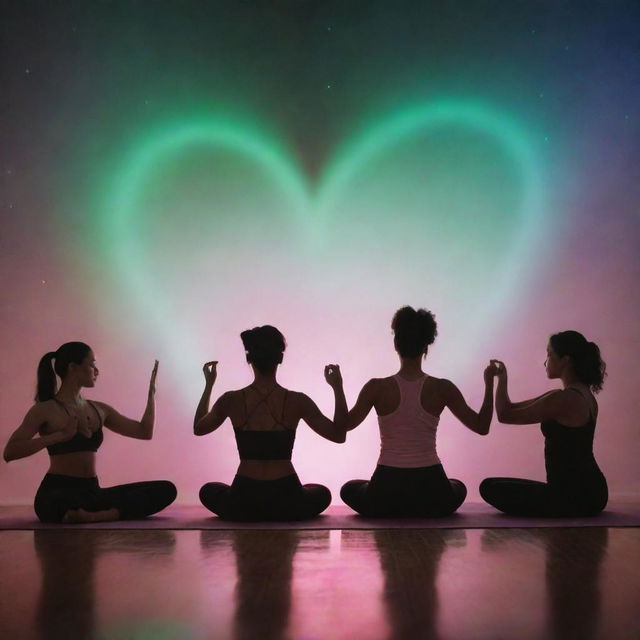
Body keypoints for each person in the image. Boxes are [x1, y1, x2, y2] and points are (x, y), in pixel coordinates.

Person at [340, 306, 495, 517]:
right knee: (457, 486)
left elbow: (344, 425)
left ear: (396, 344)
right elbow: (481, 426)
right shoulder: (442, 388)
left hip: (386, 489)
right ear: (426, 347)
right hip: (432, 489)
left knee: (349, 488)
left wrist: (337, 387)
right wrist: (489, 384)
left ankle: (395, 506)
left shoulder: (376, 387)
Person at [3, 342, 177, 523]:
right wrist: (58, 436)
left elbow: (144, 432)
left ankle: (98, 515)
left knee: (165, 489)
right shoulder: (44, 410)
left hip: (92, 491)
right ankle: (101, 514)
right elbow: (10, 452)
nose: (96, 370)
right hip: (58, 490)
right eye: (92, 364)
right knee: (53, 505)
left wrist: (152, 395)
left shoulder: (99, 409)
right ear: (73, 367)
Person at [194, 325, 347, 521]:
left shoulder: (231, 400)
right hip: (287, 497)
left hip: (243, 498)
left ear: (249, 359)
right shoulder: (298, 401)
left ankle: (251, 512)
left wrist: (208, 385)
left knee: (209, 491)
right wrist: (337, 388)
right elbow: (338, 435)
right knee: (321, 493)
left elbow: (199, 428)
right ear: (280, 358)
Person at [480, 330, 608, 516]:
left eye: (549, 354)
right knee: (493, 484)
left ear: (565, 360)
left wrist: (493, 382)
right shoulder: (579, 395)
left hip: (575, 496)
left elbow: (505, 415)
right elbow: (509, 408)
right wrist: (503, 378)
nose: (545, 361)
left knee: (489, 488)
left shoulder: (564, 399)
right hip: (591, 491)